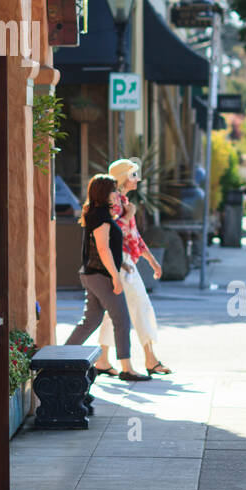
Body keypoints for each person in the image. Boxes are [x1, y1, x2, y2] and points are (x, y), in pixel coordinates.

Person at [64, 174, 151, 381]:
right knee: (121, 319)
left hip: (92, 273)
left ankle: (61, 357)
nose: (116, 193)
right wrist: (115, 276)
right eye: (113, 190)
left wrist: (121, 264)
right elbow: (103, 249)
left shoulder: (97, 213)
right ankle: (127, 368)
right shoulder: (101, 216)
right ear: (104, 193)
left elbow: (102, 247)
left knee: (91, 320)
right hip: (100, 275)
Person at [97, 158, 173, 376]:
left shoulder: (124, 201)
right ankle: (150, 359)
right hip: (119, 263)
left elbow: (135, 236)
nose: (137, 179)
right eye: (133, 174)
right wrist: (128, 216)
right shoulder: (115, 203)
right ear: (122, 177)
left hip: (126, 261)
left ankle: (102, 359)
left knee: (115, 312)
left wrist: (152, 260)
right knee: (141, 306)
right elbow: (108, 231)